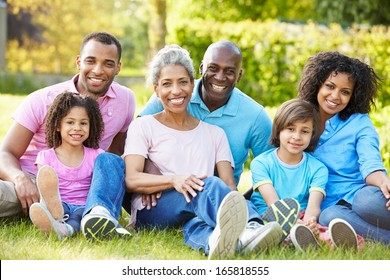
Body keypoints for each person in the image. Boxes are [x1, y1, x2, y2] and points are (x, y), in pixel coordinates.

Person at [81, 44, 285, 259]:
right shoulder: (144, 126)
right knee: (207, 184)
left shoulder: (216, 134)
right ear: (156, 90)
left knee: (199, 223)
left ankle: (222, 241)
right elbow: (131, 179)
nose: (176, 91)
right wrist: (173, 180)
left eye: (182, 82)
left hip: (195, 208)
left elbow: (230, 187)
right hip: (154, 209)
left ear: (191, 84)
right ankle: (252, 227)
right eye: (167, 84)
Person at [0, 32, 136, 220]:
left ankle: (92, 214)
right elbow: (5, 152)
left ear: (118, 68)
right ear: (79, 62)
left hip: (84, 188)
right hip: (35, 182)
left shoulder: (125, 99)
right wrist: (19, 179)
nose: (98, 70)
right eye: (91, 61)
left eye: (108, 63)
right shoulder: (42, 100)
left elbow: (114, 155)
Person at [140, 40, 272, 187]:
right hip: (167, 188)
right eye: (213, 68)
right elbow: (134, 135)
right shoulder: (175, 94)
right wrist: (153, 177)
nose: (220, 77)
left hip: (220, 197)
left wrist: (246, 202)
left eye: (229, 71)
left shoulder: (255, 116)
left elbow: (272, 169)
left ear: (239, 75)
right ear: (202, 68)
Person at [298, 51, 390, 245]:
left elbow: (370, 162)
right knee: (329, 217)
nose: (335, 96)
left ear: (353, 95)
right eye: (330, 86)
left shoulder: (359, 123)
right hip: (331, 204)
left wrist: (384, 182)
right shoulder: (300, 123)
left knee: (365, 201)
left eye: (345, 91)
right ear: (317, 85)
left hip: (362, 196)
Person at [250, 98, 361, 251]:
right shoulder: (261, 163)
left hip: (302, 216)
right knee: (269, 230)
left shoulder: (318, 168)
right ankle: (293, 238)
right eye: (290, 129)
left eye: (304, 131)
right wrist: (292, 223)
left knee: (318, 229)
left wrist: (309, 222)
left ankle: (329, 240)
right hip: (269, 215)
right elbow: (273, 202)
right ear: (278, 130)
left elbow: (314, 205)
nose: (297, 136)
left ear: (312, 135)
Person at [30, 91, 109, 239]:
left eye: (83, 123)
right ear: (58, 125)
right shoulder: (46, 157)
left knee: (80, 215)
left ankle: (65, 230)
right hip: (61, 203)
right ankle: (52, 213)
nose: (77, 128)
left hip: (84, 205)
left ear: (92, 126)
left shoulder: (98, 155)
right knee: (60, 208)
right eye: (70, 122)